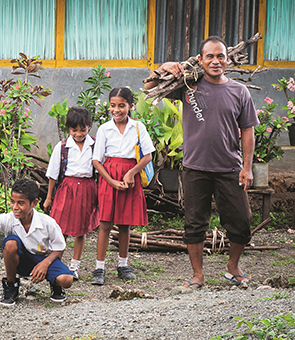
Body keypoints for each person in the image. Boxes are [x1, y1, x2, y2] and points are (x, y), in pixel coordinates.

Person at [145, 36, 259, 288]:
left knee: (241, 222)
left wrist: (247, 167)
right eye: (210, 56)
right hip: (195, 168)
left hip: (230, 167)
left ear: (228, 59)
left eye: (220, 56)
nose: (215, 61)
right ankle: (197, 274)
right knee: (194, 224)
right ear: (200, 60)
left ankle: (233, 267)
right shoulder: (188, 85)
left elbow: (248, 130)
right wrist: (164, 67)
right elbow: (149, 87)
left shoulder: (239, 91)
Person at [91, 87, 154, 285]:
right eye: (112, 105)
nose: (116, 110)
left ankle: (123, 264)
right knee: (105, 223)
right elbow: (96, 161)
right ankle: (99, 268)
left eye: (121, 106)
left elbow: (148, 156)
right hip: (108, 177)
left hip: (130, 178)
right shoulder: (104, 129)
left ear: (130, 106)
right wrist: (110, 181)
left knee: (125, 224)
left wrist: (131, 173)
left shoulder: (138, 127)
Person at [44, 107, 99, 280]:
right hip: (66, 189)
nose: (78, 133)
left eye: (82, 129)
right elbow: (53, 174)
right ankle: (57, 264)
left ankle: (75, 266)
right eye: (74, 130)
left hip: (87, 189)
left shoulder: (95, 145)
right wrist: (48, 197)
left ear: (89, 126)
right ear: (68, 129)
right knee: (60, 228)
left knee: (80, 229)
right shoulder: (62, 147)